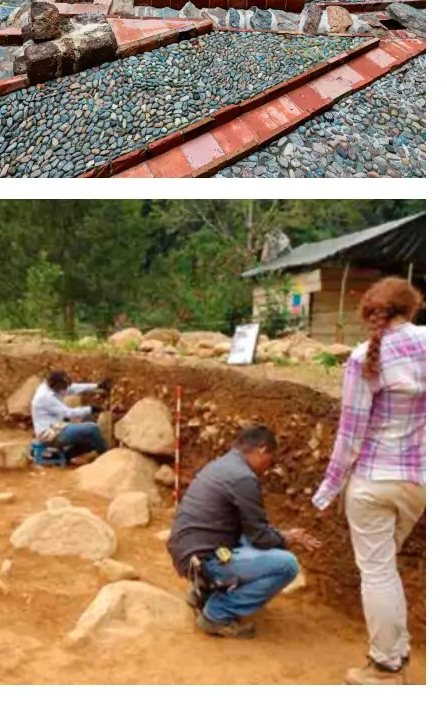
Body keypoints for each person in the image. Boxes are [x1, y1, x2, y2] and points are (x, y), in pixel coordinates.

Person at [312, 278, 425, 685]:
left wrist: (328, 489)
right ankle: (397, 650)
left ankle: (386, 667)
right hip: (419, 482)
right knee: (386, 570)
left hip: (373, 481)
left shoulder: (364, 358)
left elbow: (350, 435)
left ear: (369, 315)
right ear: (411, 308)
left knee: (377, 573)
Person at [168, 425, 322, 639]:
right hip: (205, 559)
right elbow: (260, 537)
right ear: (262, 448)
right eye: (270, 459)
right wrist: (287, 537)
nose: (268, 467)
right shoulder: (244, 477)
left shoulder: (222, 465)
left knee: (245, 541)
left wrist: (281, 535)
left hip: (190, 552)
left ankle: (203, 592)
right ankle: (217, 614)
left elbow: (251, 531)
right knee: (287, 565)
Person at [30, 371, 109, 462]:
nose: (66, 388)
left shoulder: (51, 387)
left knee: (91, 440)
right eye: (63, 386)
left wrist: (97, 386)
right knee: (92, 428)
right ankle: (106, 457)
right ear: (56, 385)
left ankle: (61, 457)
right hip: (51, 434)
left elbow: (73, 388)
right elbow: (69, 413)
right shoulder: (45, 397)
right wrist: (91, 409)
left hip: (57, 427)